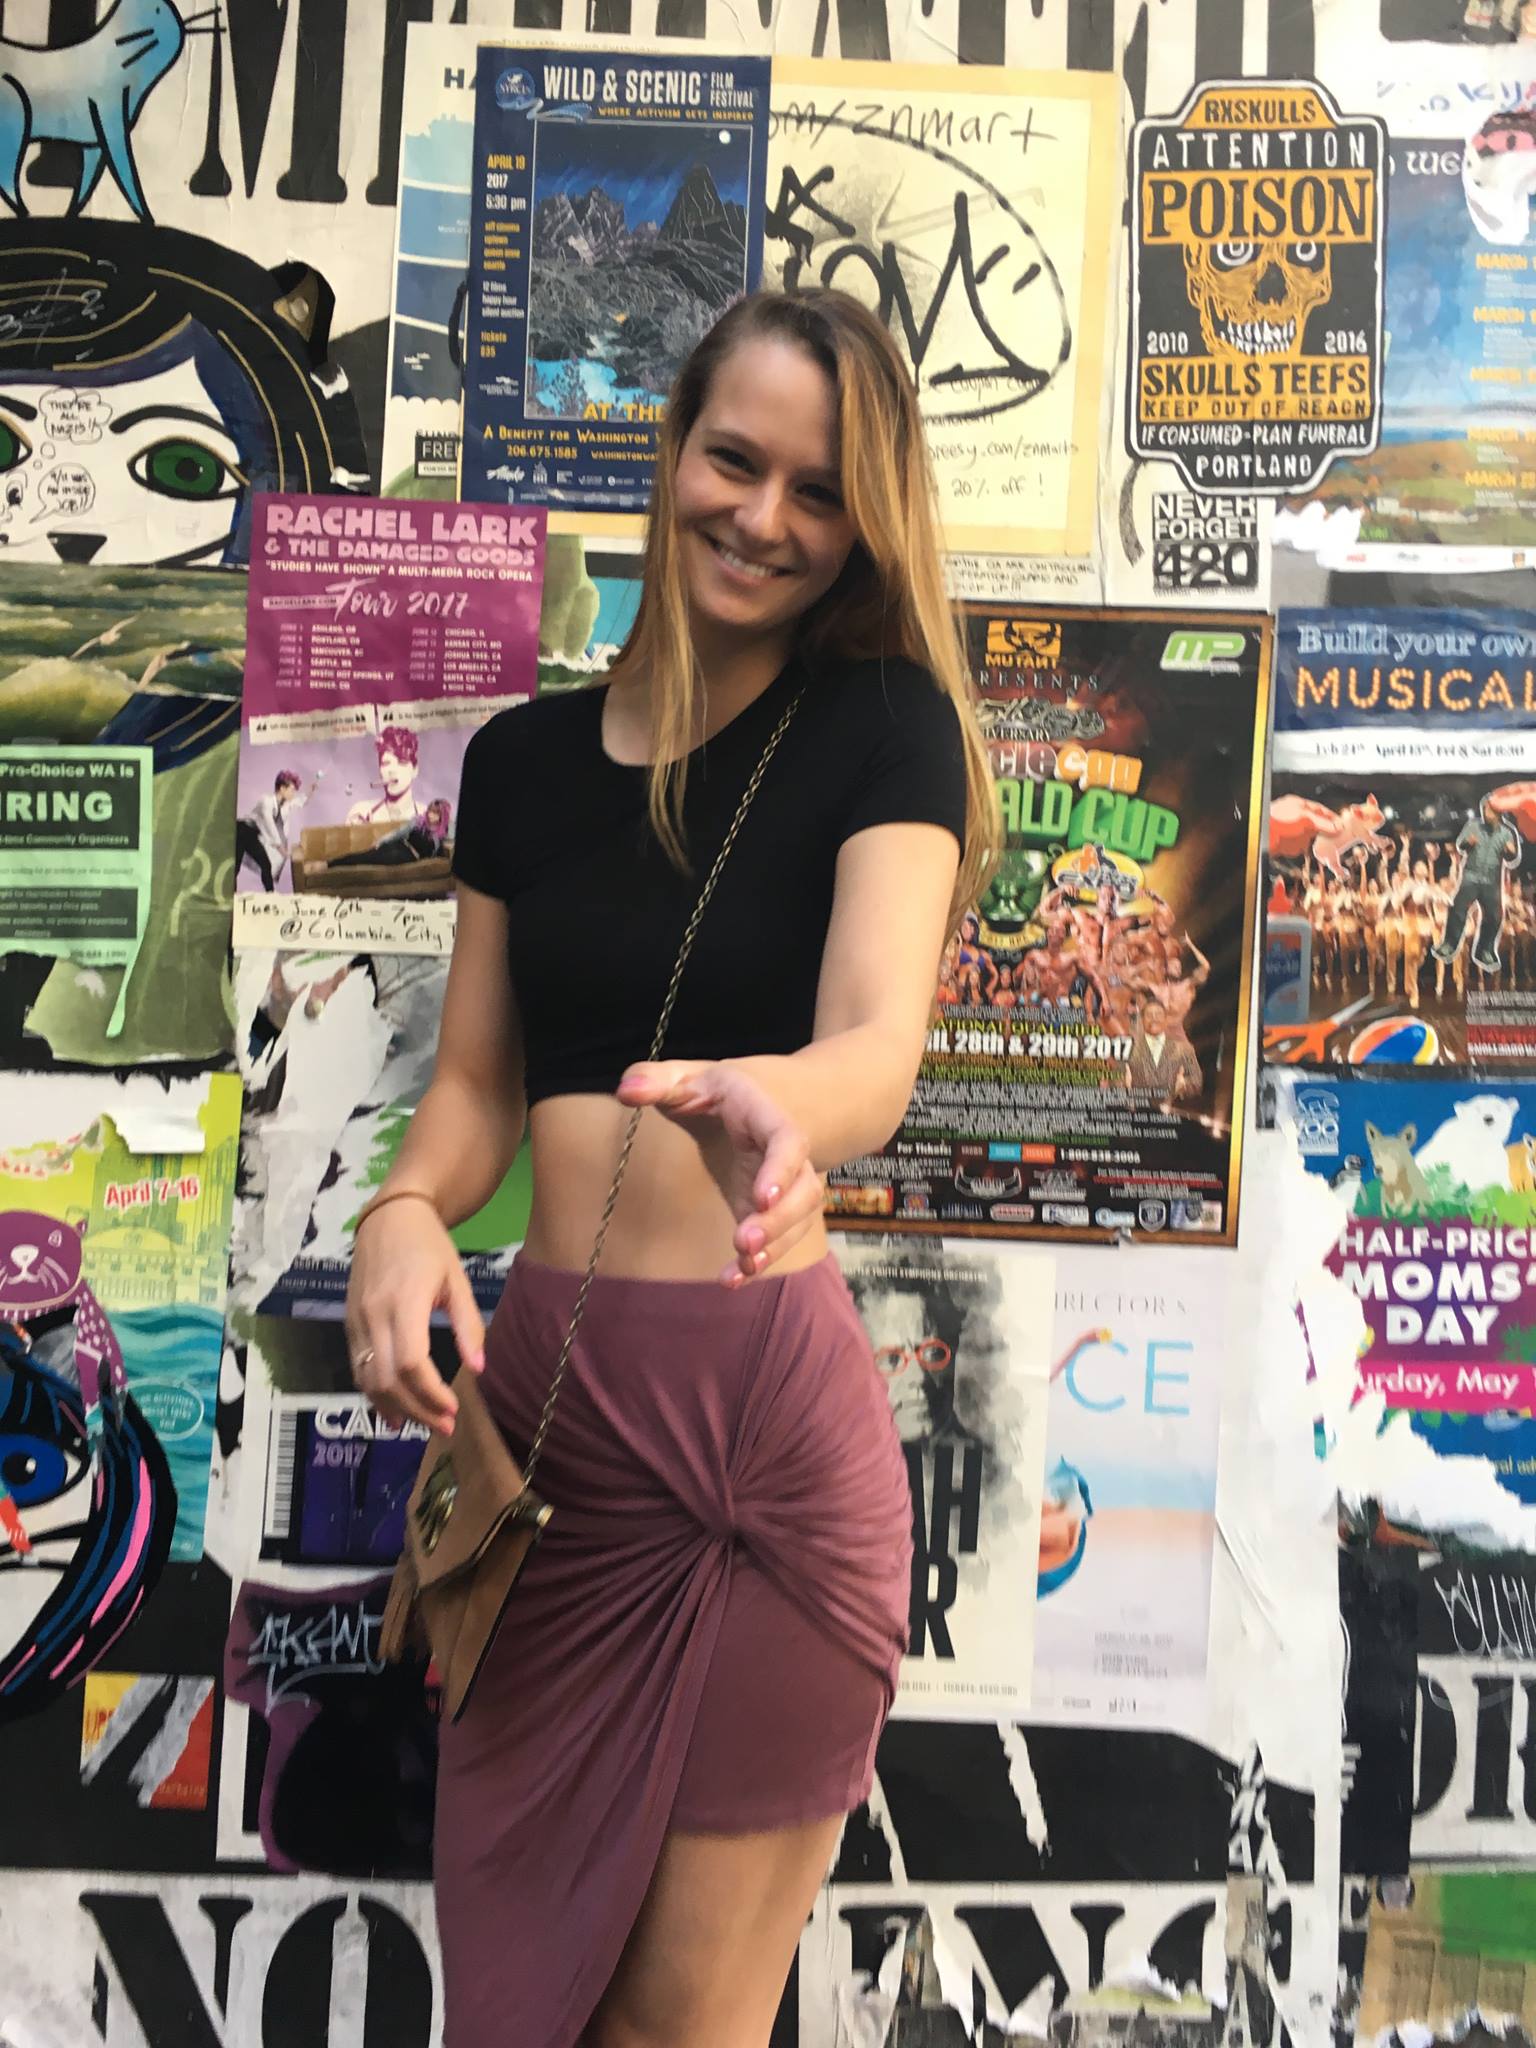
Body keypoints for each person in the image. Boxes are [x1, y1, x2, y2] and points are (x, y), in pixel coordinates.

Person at [343, 288, 1000, 2048]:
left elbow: (875, 1042)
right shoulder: (524, 765)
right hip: (547, 1443)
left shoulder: (883, 727)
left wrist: (788, 1102)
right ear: (670, 447)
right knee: (513, 2014)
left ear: (865, 521)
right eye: (736, 460)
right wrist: (402, 1208)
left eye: (820, 491)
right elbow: (475, 1085)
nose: (766, 518)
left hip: (753, 1461)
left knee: (668, 2031)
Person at [1434, 795, 1522, 973]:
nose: (1485, 813)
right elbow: (1460, 845)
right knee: (1458, 909)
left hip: (1491, 880)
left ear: (1498, 812)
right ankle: (1449, 944)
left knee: (1494, 916)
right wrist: (1468, 842)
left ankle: (1485, 951)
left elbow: (1512, 858)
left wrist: (1511, 852)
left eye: (1489, 809)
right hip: (1471, 877)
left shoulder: (1507, 832)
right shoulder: (1473, 825)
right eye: (1484, 809)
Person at [235, 768, 307, 890]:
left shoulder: (281, 805)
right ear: (282, 788)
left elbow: (299, 801)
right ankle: (231, 896)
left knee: (266, 865)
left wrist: (310, 790)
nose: (293, 793)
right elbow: (270, 826)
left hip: (251, 835)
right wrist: (282, 850)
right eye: (292, 790)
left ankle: (271, 895)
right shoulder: (266, 801)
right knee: (235, 868)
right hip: (241, 831)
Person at [346, 725, 427, 825]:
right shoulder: (362, 813)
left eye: (401, 762)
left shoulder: (426, 816)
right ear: (380, 771)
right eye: (386, 763)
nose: (391, 770)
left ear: (414, 770)